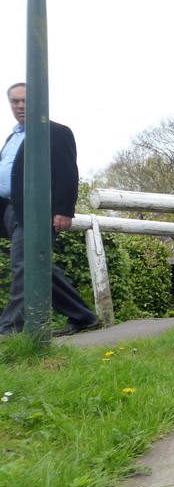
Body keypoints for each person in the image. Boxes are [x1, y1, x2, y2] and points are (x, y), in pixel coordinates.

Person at [0, 83, 98, 337]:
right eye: (15, 101)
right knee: (37, 264)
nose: (20, 106)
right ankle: (82, 315)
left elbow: (68, 173)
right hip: (11, 210)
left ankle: (9, 330)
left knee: (24, 264)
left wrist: (64, 210)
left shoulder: (56, 132)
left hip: (38, 211)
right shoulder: (13, 137)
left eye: (25, 101)